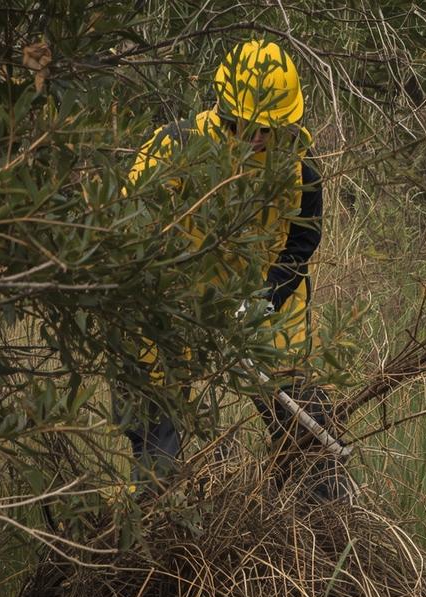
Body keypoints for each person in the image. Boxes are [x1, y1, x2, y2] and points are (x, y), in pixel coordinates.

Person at [120, 39, 346, 501]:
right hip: (167, 311)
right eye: (249, 125)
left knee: (307, 427)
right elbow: (128, 233)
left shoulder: (301, 170)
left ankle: (322, 534)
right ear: (224, 107)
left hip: (263, 307)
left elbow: (301, 244)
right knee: (159, 448)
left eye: (271, 127)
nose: (259, 136)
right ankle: (163, 534)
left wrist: (261, 299)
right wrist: (178, 302)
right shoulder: (174, 148)